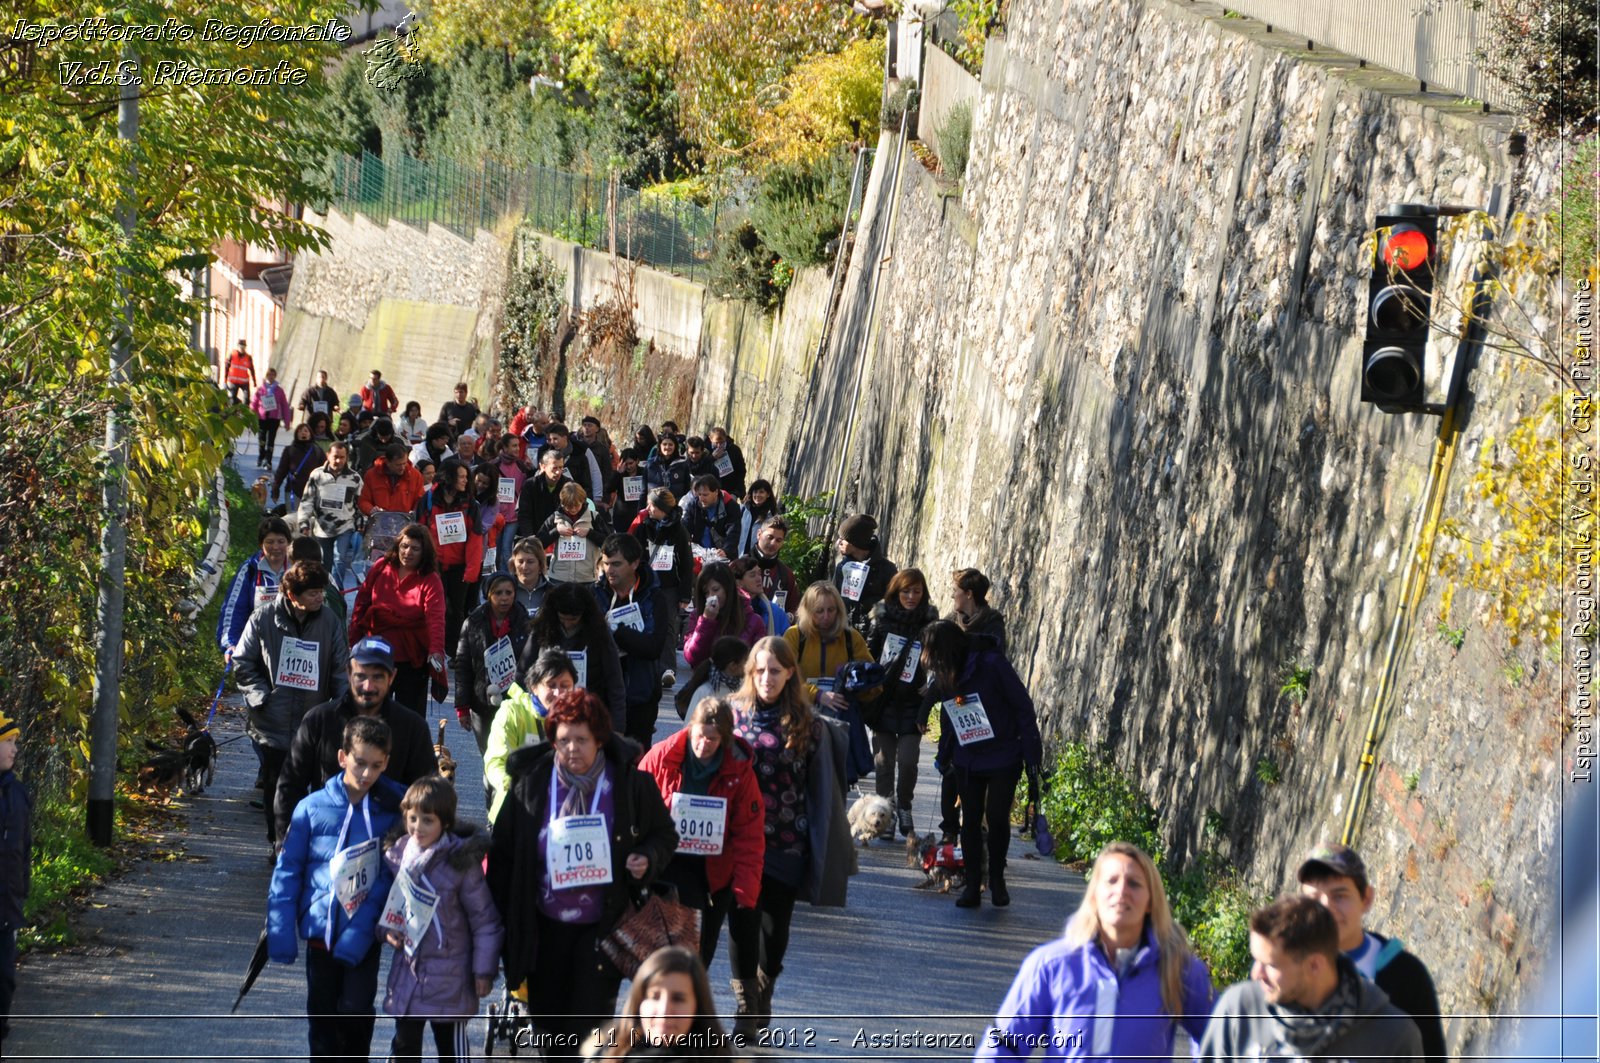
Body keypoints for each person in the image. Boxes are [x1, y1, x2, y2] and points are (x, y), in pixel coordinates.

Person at [485, 689, 678, 1058]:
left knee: (588, 1037)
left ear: (600, 738)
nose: (572, 748)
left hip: (602, 929)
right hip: (543, 930)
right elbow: (504, 856)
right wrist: (501, 925)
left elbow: (664, 835)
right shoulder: (531, 784)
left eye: (581, 739)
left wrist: (645, 859)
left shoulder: (628, 783)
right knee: (549, 1033)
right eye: (563, 740)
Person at [976, 842, 1215, 1062]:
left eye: (1134, 883)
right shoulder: (1051, 965)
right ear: (1093, 895)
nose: (1121, 891)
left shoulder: (1178, 968)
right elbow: (1004, 1045)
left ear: (1151, 901)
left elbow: (1218, 1041)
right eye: (1111, 881)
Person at [727, 636, 852, 1030]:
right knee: (742, 920)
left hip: (786, 841)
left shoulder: (808, 723)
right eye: (760, 671)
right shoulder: (732, 714)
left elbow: (822, 789)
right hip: (740, 841)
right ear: (750, 673)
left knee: (774, 928)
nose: (767, 678)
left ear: (789, 674)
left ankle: (765, 986)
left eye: (775, 671)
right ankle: (747, 1006)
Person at [267, 716, 404, 1063]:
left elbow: (394, 874)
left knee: (356, 1011)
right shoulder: (310, 808)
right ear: (343, 757)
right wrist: (280, 928)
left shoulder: (391, 814)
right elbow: (288, 871)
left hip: (365, 937)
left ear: (386, 763)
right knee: (323, 1018)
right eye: (359, 762)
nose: (366, 773)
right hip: (320, 935)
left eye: (376, 765)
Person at [639, 701, 765, 1036]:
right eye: (699, 735)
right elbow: (632, 807)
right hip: (667, 864)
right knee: (663, 951)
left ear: (724, 739)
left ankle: (686, 1019)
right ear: (689, 729)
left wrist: (745, 890)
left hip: (713, 872)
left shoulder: (739, 771)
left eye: (712, 739)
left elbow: (749, 836)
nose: (703, 744)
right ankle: (659, 1022)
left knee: (699, 956)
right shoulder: (661, 756)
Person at [1201, 896, 1423, 1063]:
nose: (1255, 974)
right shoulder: (1239, 1008)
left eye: (1270, 964)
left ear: (1314, 965)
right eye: (1255, 960)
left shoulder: (1393, 1036)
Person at [380, 776, 503, 1063]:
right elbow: (390, 909)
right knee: (403, 1047)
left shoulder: (461, 865)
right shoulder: (399, 856)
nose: (417, 828)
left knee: (452, 1051)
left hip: (452, 979)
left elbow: (485, 921)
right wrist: (387, 930)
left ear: (444, 823)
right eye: (412, 818)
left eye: (427, 820)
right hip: (409, 974)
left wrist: (483, 971)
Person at [234, 560, 351, 849]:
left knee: (316, 789)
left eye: (321, 591)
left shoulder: (329, 621)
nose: (320, 598)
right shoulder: (262, 619)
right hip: (272, 721)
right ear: (292, 595)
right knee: (278, 789)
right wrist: (260, 697)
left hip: (314, 724)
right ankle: (279, 843)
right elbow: (242, 663)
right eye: (312, 593)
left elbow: (340, 668)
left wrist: (342, 709)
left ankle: (307, 845)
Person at [925, 619, 1041, 908]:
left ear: (947, 650)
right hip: (969, 756)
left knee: (998, 816)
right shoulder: (947, 673)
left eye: (935, 655)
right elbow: (951, 716)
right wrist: (944, 755)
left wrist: (1032, 755)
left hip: (1004, 752)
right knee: (971, 820)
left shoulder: (991, 664)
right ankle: (973, 885)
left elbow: (1022, 706)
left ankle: (998, 879)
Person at [273, 637, 438, 839]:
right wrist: (285, 840)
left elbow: (427, 793)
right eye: (361, 676)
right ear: (349, 673)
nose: (368, 686)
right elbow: (290, 785)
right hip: (325, 839)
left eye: (377, 677)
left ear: (392, 677)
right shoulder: (319, 719)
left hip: (389, 844)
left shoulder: (413, 727)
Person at [1297, 844, 1447, 1063]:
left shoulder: (1407, 975)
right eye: (1314, 899)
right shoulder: (1289, 977)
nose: (1327, 908)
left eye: (1339, 895)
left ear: (1366, 898)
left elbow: (1433, 1055)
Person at [863, 568, 939, 838]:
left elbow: (937, 659)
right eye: (906, 591)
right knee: (884, 761)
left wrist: (930, 682)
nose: (911, 596)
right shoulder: (880, 620)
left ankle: (904, 805)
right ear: (896, 591)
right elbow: (867, 655)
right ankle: (886, 811)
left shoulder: (930, 622)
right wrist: (873, 680)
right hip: (884, 700)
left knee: (908, 761)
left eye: (916, 591)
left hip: (912, 702)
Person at [349, 524, 447, 715]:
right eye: (404, 546)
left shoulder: (430, 579)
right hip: (377, 654)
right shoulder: (381, 566)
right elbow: (361, 604)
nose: (408, 552)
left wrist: (436, 651)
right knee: (371, 714)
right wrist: (353, 640)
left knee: (409, 717)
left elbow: (436, 619)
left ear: (424, 552)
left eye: (415, 548)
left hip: (412, 658)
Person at [586, 945, 734, 1061]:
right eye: (654, 997)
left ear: (698, 1007)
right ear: (638, 1002)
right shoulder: (605, 1056)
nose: (664, 1010)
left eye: (678, 999)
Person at [518, 583, 628, 732]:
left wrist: (617, 729)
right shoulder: (542, 628)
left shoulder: (600, 633)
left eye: (573, 619)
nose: (567, 624)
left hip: (587, 713)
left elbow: (614, 682)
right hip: (546, 712)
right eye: (563, 618)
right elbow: (523, 671)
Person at [484, 649, 577, 822]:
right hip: (517, 811)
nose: (558, 693)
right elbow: (495, 762)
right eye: (551, 685)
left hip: (564, 816)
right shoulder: (511, 712)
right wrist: (516, 788)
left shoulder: (580, 720)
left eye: (565, 686)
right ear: (534, 687)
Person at [593, 534, 669, 748]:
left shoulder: (654, 597)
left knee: (636, 766)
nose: (609, 570)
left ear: (635, 563)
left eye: (616, 564)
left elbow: (653, 647)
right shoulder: (595, 595)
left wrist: (616, 631)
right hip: (602, 696)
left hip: (641, 696)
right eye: (606, 563)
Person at [415, 459, 488, 657]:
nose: (466, 480)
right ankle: (431, 648)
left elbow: (475, 538)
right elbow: (418, 533)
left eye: (467, 477)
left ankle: (455, 652)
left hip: (460, 567)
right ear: (450, 477)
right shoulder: (428, 500)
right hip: (433, 564)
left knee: (457, 611)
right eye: (462, 477)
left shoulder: (469, 504)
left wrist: (472, 570)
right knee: (434, 609)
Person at [455, 573, 533, 756]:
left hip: (516, 703)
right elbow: (463, 665)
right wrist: (462, 706)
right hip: (482, 704)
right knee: (491, 759)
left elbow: (533, 665)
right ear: (488, 594)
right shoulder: (472, 622)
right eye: (498, 593)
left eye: (509, 592)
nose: (504, 598)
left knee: (513, 758)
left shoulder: (526, 623)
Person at [630, 488, 695, 690]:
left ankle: (667, 668)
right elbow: (633, 556)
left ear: (663, 509)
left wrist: (685, 593)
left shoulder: (679, 531)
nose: (648, 509)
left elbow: (686, 563)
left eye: (652, 506)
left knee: (668, 625)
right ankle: (644, 665)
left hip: (669, 586)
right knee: (642, 623)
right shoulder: (642, 527)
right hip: (645, 584)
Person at [781, 582, 873, 713]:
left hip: (840, 714)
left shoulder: (851, 637)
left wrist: (856, 686)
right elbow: (783, 679)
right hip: (800, 711)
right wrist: (816, 694)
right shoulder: (794, 635)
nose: (826, 617)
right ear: (808, 611)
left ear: (839, 610)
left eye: (831, 610)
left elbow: (873, 685)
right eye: (819, 611)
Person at [217, 516, 292, 660]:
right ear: (260, 544)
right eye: (269, 542)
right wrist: (230, 644)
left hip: (293, 649)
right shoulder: (250, 570)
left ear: (288, 542)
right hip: (258, 648)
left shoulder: (298, 569)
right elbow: (234, 608)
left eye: (281, 541)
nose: (276, 547)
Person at [0, 711, 32, 1049]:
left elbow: (25, 846)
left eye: (14, 742)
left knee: (5, 980)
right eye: (7, 742)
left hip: (6, 905)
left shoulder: (17, 794)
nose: (14, 749)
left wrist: (23, 888)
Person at [297, 441, 365, 593]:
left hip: (345, 527)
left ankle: (337, 592)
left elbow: (360, 504)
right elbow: (307, 500)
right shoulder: (317, 475)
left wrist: (362, 523)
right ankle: (324, 592)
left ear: (347, 457)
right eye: (335, 457)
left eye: (342, 457)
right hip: (322, 528)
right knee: (323, 563)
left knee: (339, 559)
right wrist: (303, 523)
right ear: (328, 455)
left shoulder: (354, 478)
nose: (338, 461)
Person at [824, 514, 897, 632]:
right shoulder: (842, 567)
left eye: (843, 539)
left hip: (873, 637)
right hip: (845, 634)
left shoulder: (887, 570)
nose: (839, 542)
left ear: (854, 542)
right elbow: (834, 601)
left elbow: (895, 607)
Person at [684, 563, 766, 667]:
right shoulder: (697, 617)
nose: (711, 596)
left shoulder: (753, 620)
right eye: (706, 593)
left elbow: (760, 661)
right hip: (706, 680)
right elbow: (693, 658)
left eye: (715, 590)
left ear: (728, 589)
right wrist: (706, 621)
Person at [539, 482, 611, 588]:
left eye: (576, 505)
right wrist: (556, 532)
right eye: (568, 506)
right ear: (562, 504)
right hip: (559, 577)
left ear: (583, 501)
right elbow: (537, 544)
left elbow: (609, 544)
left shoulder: (594, 517)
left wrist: (590, 533)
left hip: (586, 577)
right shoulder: (554, 518)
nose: (573, 509)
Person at [674, 638, 750, 723]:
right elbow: (690, 728)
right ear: (733, 666)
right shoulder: (706, 691)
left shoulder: (742, 688)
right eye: (746, 661)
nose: (749, 665)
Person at [742, 516, 798, 615]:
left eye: (778, 540)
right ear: (759, 534)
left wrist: (788, 618)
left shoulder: (787, 575)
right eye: (770, 537)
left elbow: (793, 609)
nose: (773, 543)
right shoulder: (738, 567)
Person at [492, 435, 532, 572]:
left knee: (506, 549)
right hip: (496, 515)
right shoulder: (494, 465)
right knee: (495, 549)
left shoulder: (522, 465)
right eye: (513, 445)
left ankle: (507, 577)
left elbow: (527, 489)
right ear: (504, 448)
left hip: (513, 516)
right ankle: (496, 577)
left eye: (518, 445)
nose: (517, 448)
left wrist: (530, 469)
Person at [542, 421, 606, 503]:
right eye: (548, 439)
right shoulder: (545, 452)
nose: (551, 442)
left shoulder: (581, 450)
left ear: (565, 438)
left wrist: (596, 498)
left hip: (577, 498)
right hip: (553, 499)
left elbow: (593, 474)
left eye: (555, 439)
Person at [681, 476, 743, 558]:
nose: (702, 498)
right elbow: (685, 526)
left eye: (705, 495)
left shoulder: (730, 506)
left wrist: (726, 550)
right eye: (699, 494)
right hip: (700, 554)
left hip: (722, 555)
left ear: (716, 492)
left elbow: (733, 531)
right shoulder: (693, 505)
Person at [360, 442, 426, 517]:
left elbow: (420, 500)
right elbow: (364, 500)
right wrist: (371, 510)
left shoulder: (415, 476)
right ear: (388, 462)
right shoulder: (371, 475)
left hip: (406, 522)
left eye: (404, 463)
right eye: (398, 465)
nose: (402, 468)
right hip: (379, 522)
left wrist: (415, 512)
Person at [519, 447, 571, 538]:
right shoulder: (530, 485)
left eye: (561, 467)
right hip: (536, 536)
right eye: (554, 468)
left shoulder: (569, 486)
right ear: (543, 467)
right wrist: (530, 537)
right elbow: (524, 515)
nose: (558, 472)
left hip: (562, 536)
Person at [731, 558, 788, 640]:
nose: (759, 579)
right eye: (752, 575)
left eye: (759, 574)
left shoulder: (776, 612)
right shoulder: (730, 611)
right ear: (738, 583)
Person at [952, 567, 1007, 651]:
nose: (952, 596)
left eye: (955, 591)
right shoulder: (952, 622)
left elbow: (994, 657)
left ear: (969, 594)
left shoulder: (992, 623)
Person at [272, 423, 325, 510]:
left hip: (312, 492)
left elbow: (325, 472)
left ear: (310, 434)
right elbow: (281, 472)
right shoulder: (289, 450)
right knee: (292, 518)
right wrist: (275, 490)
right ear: (296, 434)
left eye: (305, 431)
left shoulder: (317, 451)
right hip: (293, 490)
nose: (303, 433)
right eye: (300, 431)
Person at [251, 368, 290, 467]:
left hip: (274, 417)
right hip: (262, 417)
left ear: (275, 376)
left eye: (273, 374)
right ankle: (261, 456)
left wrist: (287, 422)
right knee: (262, 439)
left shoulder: (279, 390)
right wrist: (252, 415)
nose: (271, 376)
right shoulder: (261, 389)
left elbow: (284, 405)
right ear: (266, 376)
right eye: (269, 374)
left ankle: (268, 460)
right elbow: (254, 403)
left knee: (271, 440)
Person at [733, 479, 777, 558]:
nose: (757, 495)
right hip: (738, 556)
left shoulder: (771, 516)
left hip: (758, 559)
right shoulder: (742, 510)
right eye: (755, 492)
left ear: (768, 494)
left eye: (761, 492)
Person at [610, 448, 647, 542]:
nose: (629, 466)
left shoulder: (644, 472)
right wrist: (618, 473)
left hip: (639, 513)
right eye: (626, 464)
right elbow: (609, 489)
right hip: (622, 515)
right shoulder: (619, 474)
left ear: (637, 461)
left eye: (631, 463)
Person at [510, 535, 552, 615]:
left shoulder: (552, 592)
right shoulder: (504, 591)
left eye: (530, 562)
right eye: (520, 561)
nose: (524, 567)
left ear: (540, 565)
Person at [645, 434, 691, 501]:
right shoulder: (651, 464)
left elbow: (687, 489)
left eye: (670, 444)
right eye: (664, 444)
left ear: (675, 446)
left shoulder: (682, 464)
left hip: (677, 505)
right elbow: (644, 490)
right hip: (655, 505)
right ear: (660, 446)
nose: (667, 447)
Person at [705, 428, 747, 499]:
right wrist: (712, 458)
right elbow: (700, 469)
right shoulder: (704, 451)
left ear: (725, 438)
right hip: (711, 492)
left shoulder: (734, 450)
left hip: (730, 492)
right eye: (716, 443)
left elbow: (741, 471)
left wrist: (737, 492)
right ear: (710, 439)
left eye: (722, 442)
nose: (719, 446)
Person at [223, 338, 256, 404]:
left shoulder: (248, 357)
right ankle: (235, 410)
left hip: (244, 382)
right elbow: (226, 367)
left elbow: (252, 369)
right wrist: (225, 381)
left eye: (243, 347)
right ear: (238, 346)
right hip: (233, 382)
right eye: (241, 347)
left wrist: (254, 381)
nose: (242, 349)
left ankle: (245, 412)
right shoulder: (232, 355)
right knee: (232, 399)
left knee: (246, 399)